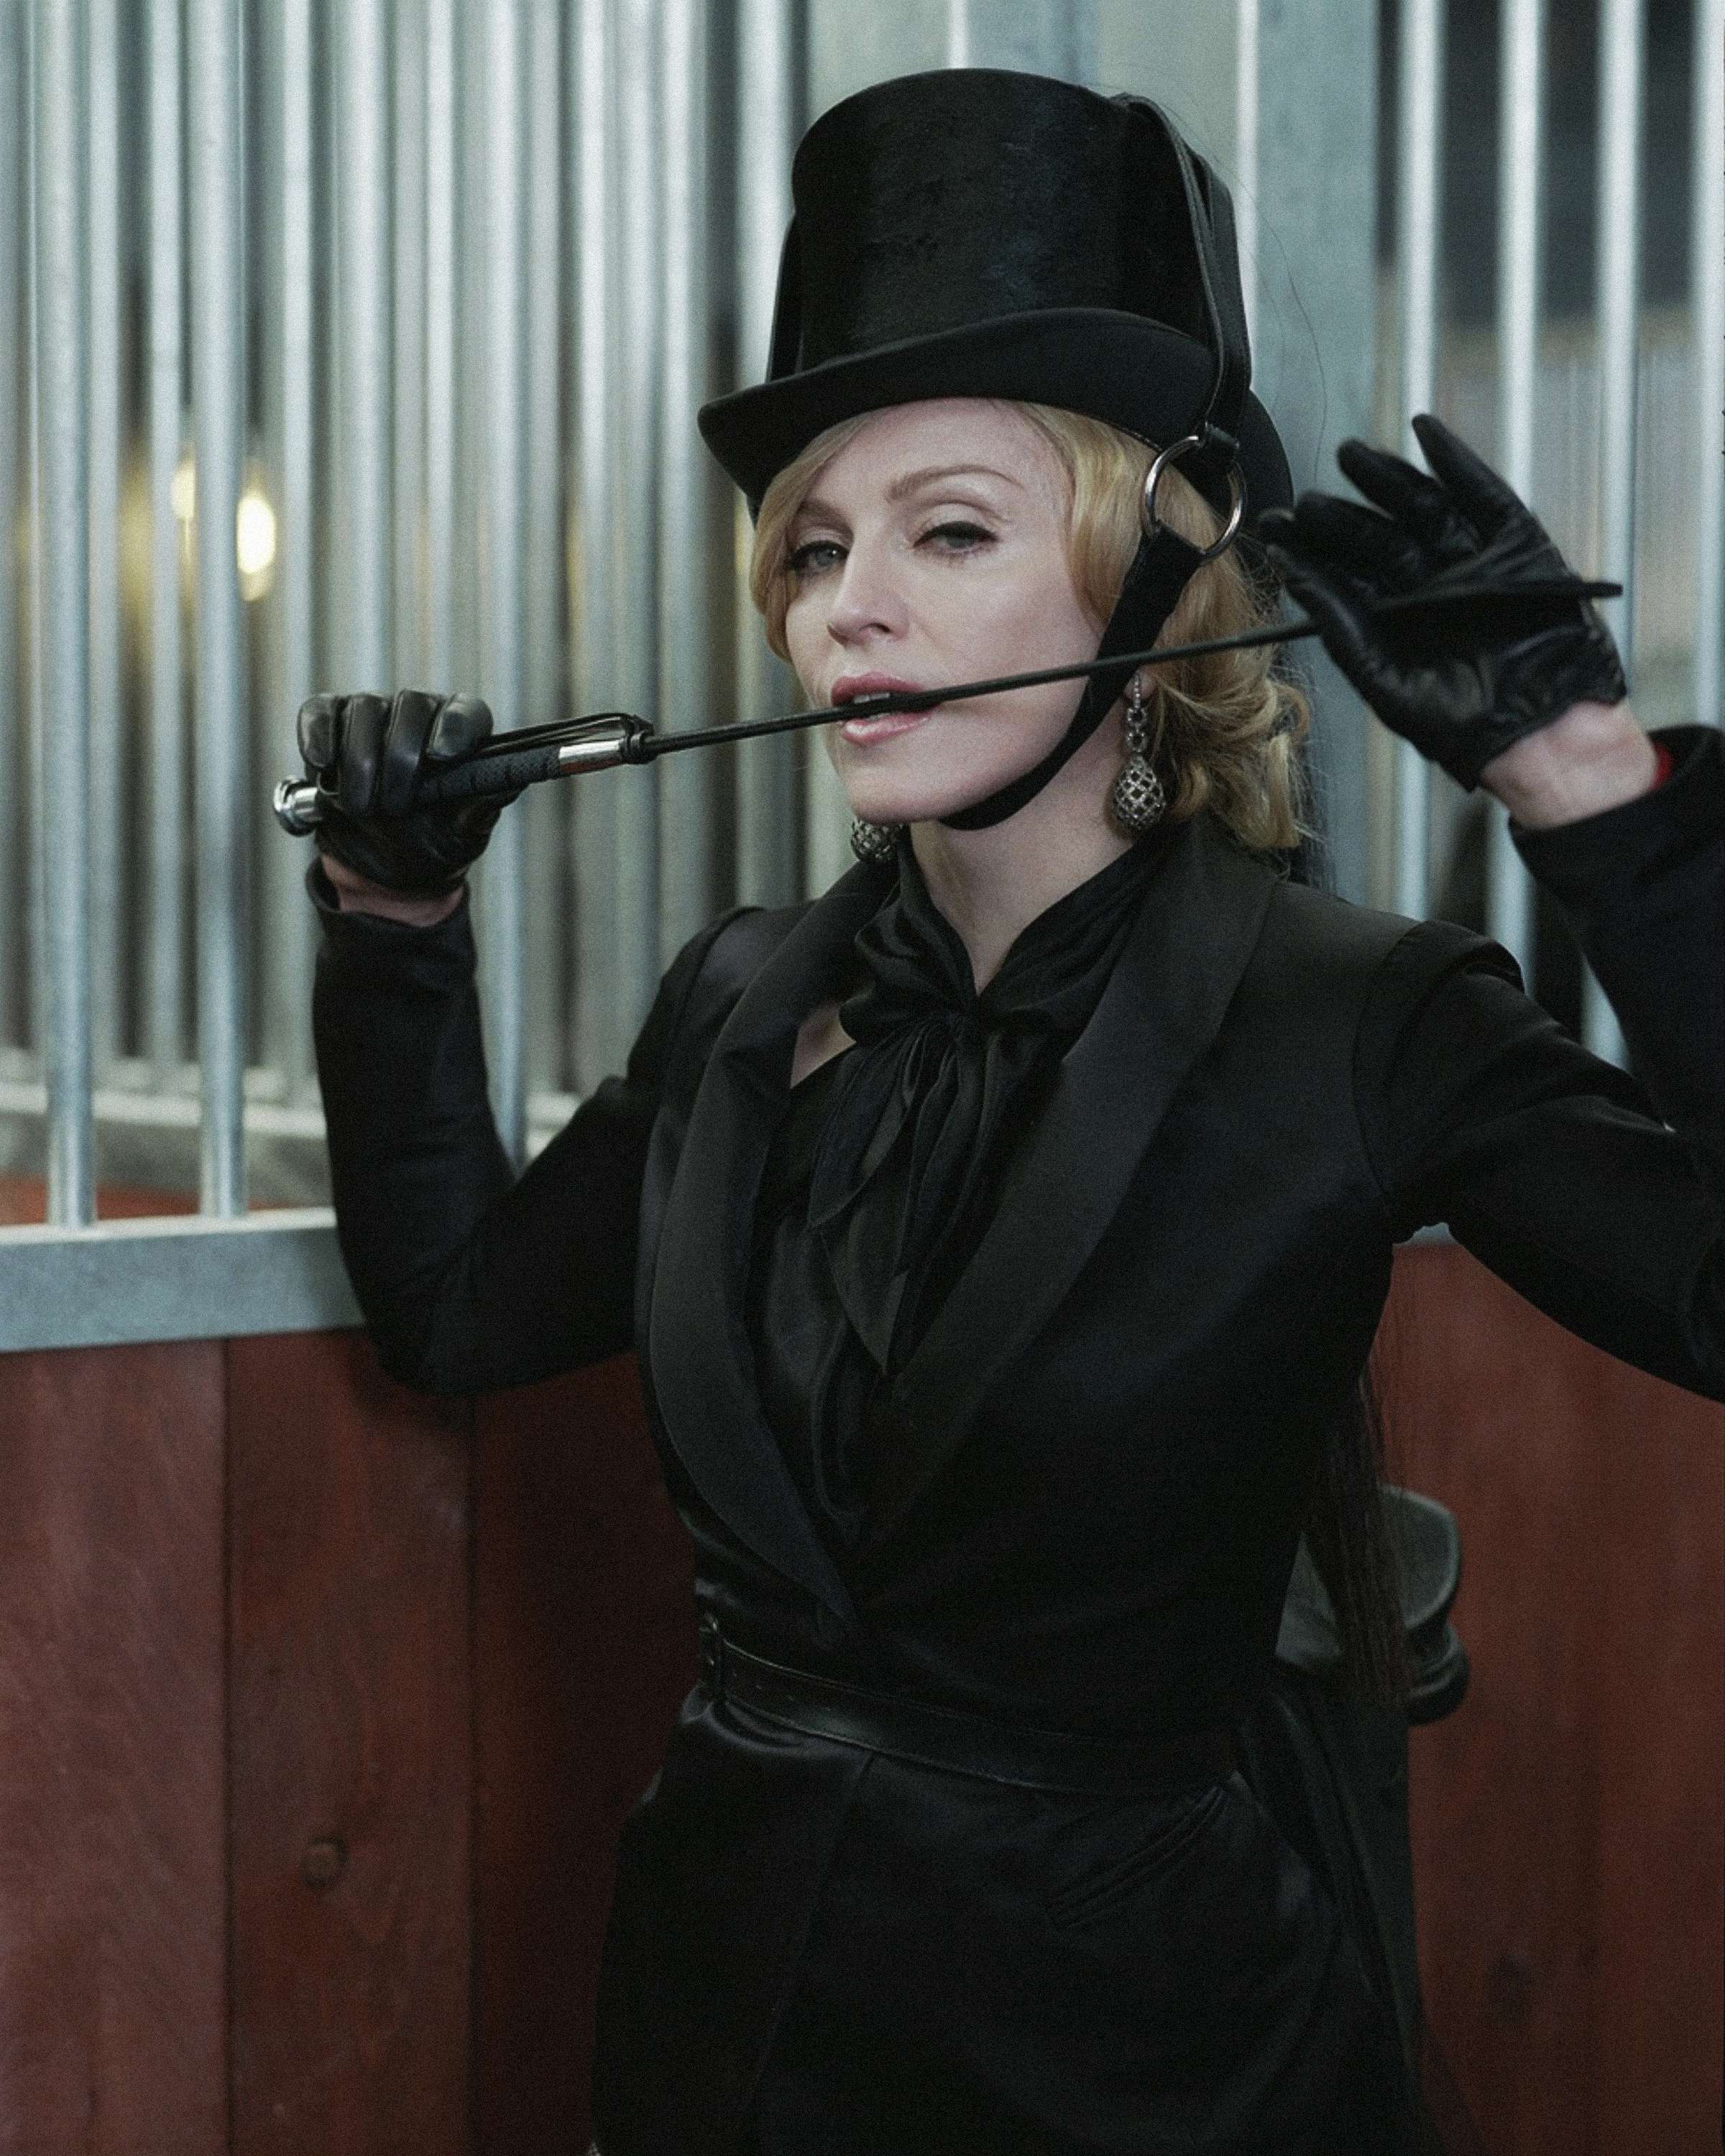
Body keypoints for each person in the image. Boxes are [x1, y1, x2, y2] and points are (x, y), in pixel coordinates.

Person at [295, 69, 1722, 2156]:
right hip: (727, 2044)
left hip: (1156, 2072)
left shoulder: (1355, 1015)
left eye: (949, 532)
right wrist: (394, 915)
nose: (845, 607)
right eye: (815, 547)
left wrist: (1597, 799)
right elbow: (453, 1310)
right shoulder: (739, 998)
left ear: (1150, 584)